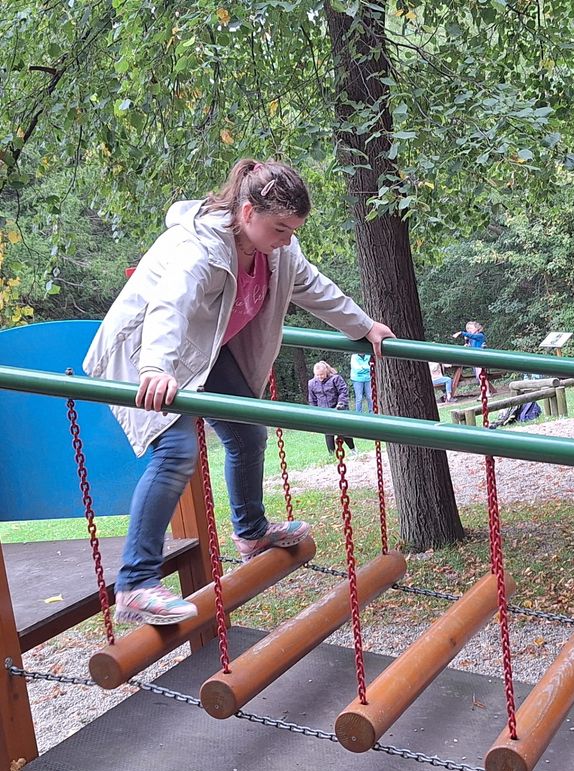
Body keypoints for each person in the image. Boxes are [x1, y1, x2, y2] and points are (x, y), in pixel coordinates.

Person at [84, 158, 394, 626]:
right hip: (146, 352)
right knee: (176, 452)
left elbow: (314, 287)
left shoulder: (278, 250)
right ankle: (135, 583)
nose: (287, 238)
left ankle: (251, 532)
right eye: (280, 228)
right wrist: (156, 366)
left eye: (293, 230)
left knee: (248, 433)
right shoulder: (201, 246)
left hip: (205, 351)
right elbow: (170, 305)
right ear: (247, 212)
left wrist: (365, 326)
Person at [308, 361, 356, 454]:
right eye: (317, 375)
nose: (320, 377)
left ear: (326, 371)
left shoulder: (335, 379)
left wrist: (341, 403)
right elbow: (312, 400)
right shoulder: (312, 383)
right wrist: (314, 413)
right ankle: (332, 454)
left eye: (321, 374)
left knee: (344, 431)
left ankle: (353, 449)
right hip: (324, 411)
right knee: (328, 433)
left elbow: (343, 391)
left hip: (338, 408)